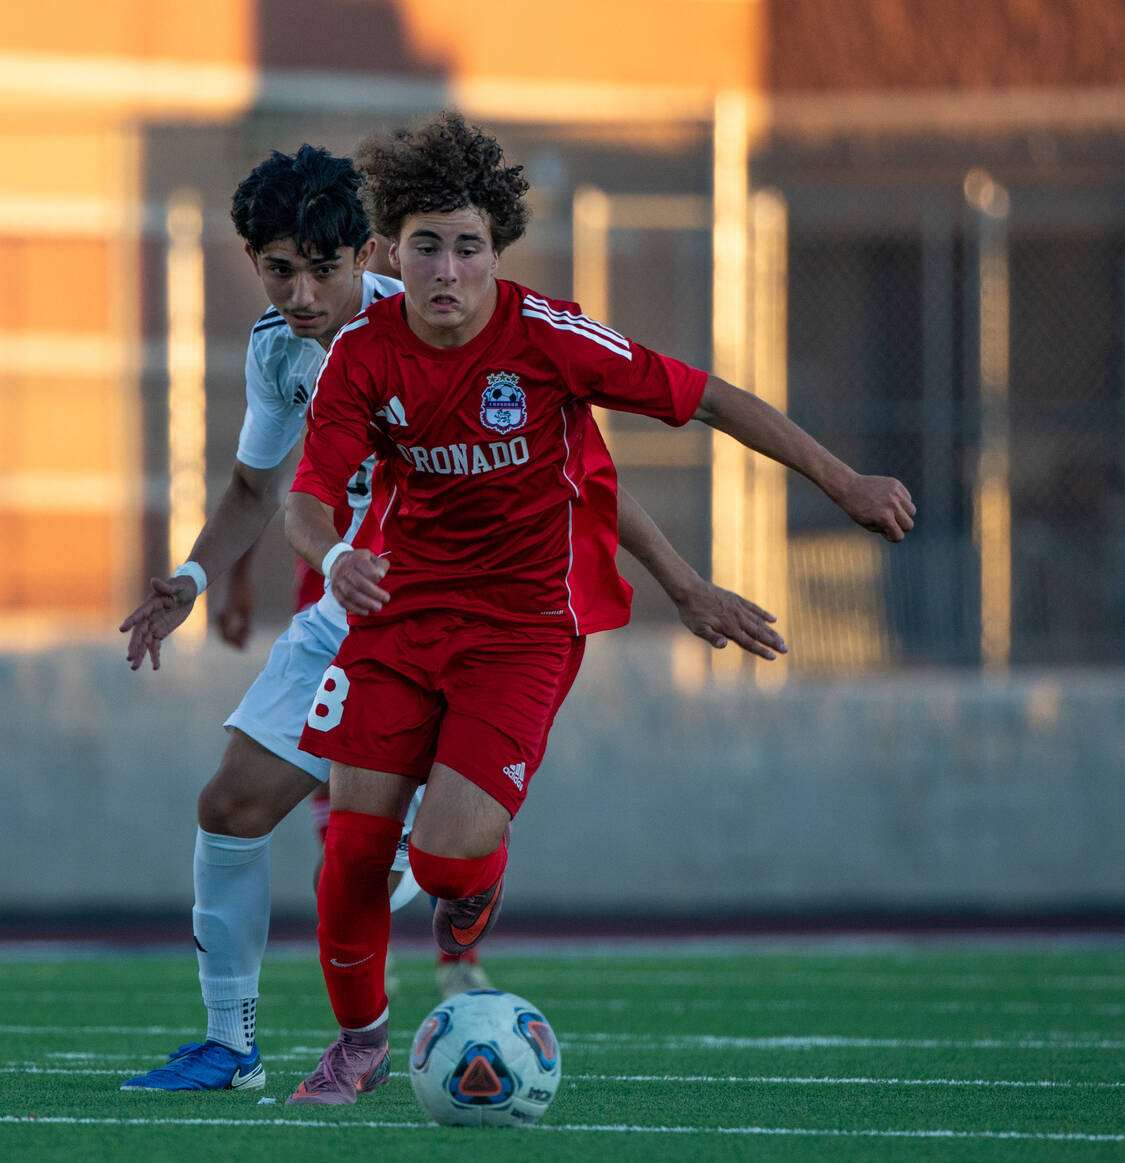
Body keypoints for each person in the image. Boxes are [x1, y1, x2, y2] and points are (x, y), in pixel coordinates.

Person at [118, 143, 787, 1094]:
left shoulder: (442, 308)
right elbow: (254, 488)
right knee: (228, 808)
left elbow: (582, 476)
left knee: (409, 847)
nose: (303, 292)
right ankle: (231, 1047)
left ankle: (431, 901)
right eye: (279, 270)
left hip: (452, 610)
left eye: (323, 266)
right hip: (346, 603)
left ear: (369, 254)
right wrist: (195, 578)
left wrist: (683, 584)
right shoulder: (280, 347)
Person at [282, 112, 915, 1106]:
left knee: (444, 856)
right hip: (400, 619)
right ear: (385, 254)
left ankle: (469, 888)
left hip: (524, 630)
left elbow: (704, 399)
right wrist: (335, 556)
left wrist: (841, 481)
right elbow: (307, 493)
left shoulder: (548, 337)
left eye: (468, 247)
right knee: (352, 850)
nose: (446, 270)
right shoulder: (365, 353)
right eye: (425, 247)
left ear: (497, 252)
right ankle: (357, 1044)